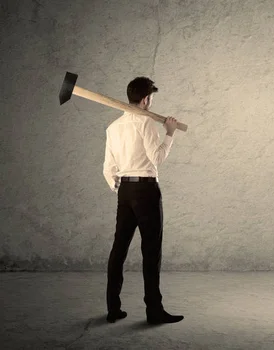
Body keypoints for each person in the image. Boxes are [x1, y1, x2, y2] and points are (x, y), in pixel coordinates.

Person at [102, 76, 184, 324]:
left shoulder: (113, 127)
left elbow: (108, 169)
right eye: (151, 98)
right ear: (146, 99)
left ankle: (113, 309)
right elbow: (157, 158)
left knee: (119, 249)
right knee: (151, 251)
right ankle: (154, 311)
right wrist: (169, 133)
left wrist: (122, 189)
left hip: (125, 191)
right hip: (146, 191)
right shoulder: (146, 122)